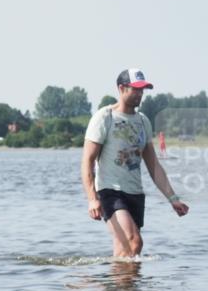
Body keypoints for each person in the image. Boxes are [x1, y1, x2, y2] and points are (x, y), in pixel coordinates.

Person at [80, 68, 188, 258]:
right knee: (134, 240)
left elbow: (153, 165)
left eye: (142, 89)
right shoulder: (104, 117)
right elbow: (87, 162)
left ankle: (119, 288)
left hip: (135, 194)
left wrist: (173, 198)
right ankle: (119, 287)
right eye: (135, 89)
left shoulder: (143, 121)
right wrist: (92, 198)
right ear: (121, 88)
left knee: (127, 251)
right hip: (110, 191)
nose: (140, 94)